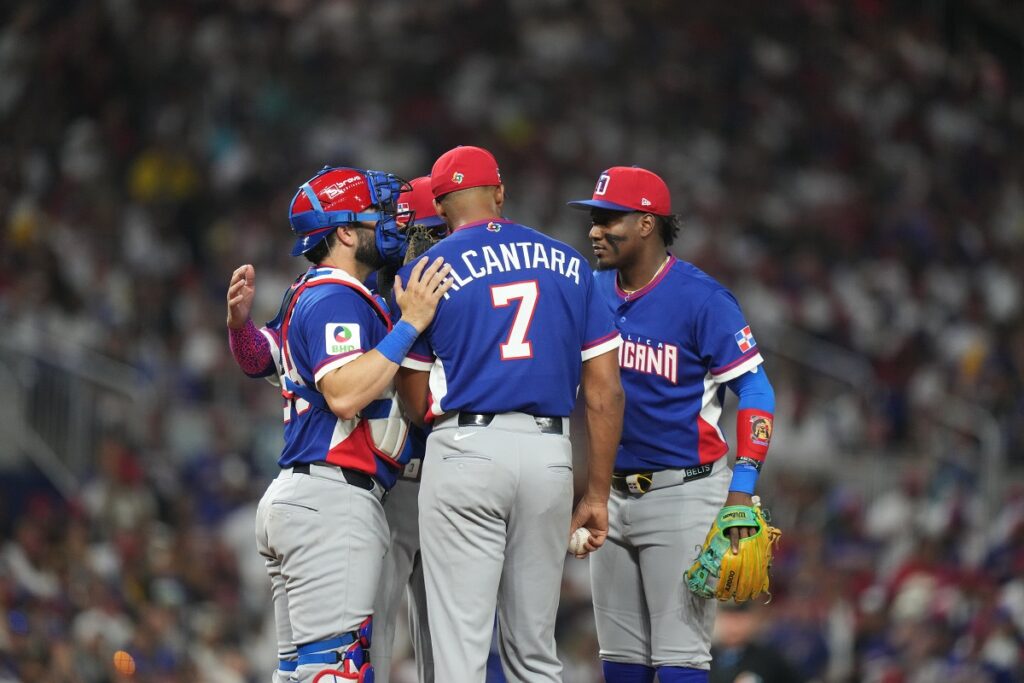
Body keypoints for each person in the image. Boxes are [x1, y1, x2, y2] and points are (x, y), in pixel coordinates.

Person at [394, 146, 625, 682]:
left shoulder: (426, 270)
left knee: (460, 652)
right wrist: (595, 493)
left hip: (467, 448)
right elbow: (605, 392)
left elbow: (413, 397)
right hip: (549, 452)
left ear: (442, 204)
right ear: (499, 193)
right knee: (535, 652)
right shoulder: (570, 263)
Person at [225, 165, 452, 683]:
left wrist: (238, 329)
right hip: (333, 498)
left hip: (302, 495)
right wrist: (413, 323)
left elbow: (261, 360)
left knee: (300, 673)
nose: (390, 223)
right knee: (338, 671)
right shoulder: (337, 297)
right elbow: (346, 393)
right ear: (346, 231)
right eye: (376, 214)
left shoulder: (311, 291)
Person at [567, 166, 777, 683]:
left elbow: (755, 388)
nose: (594, 230)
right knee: (619, 664)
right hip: (608, 493)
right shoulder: (588, 290)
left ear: (646, 222)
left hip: (684, 494)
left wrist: (743, 489)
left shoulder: (702, 298)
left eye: (608, 218)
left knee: (682, 662)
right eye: (593, 218)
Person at [369, 175, 446, 683]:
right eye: (432, 230)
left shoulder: (469, 288)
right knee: (369, 640)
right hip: (387, 485)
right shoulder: (372, 294)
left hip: (449, 478)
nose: (443, 240)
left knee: (453, 649)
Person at [710, 602, 802, 683]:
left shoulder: (769, 660)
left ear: (752, 621)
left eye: (740, 619)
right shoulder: (705, 657)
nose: (734, 627)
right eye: (729, 618)